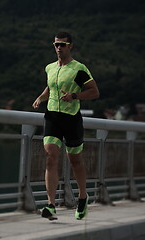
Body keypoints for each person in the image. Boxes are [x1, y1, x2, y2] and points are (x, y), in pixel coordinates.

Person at [32, 32, 99, 220]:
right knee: (50, 156)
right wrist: (40, 97)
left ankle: (83, 198)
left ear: (70, 46)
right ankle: (51, 205)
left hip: (71, 118)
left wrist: (74, 96)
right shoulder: (50, 68)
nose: (59, 48)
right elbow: (50, 86)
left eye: (62, 44)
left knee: (75, 161)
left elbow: (94, 91)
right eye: (56, 45)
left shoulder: (78, 69)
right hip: (52, 116)